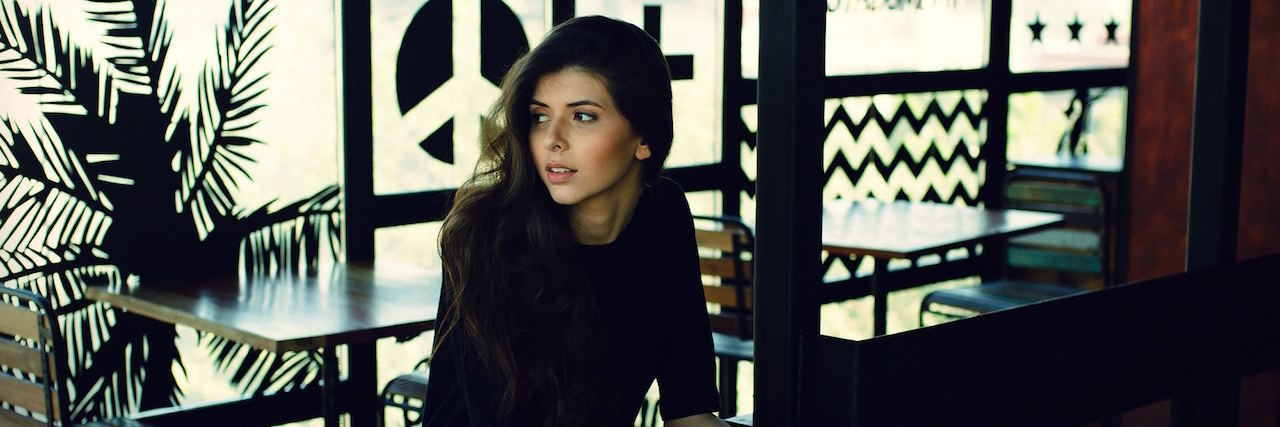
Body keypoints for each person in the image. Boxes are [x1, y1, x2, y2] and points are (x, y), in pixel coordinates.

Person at [422, 15, 730, 427]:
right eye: (539, 116)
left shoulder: (663, 213)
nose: (553, 139)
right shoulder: (488, 235)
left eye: (582, 116)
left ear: (645, 138)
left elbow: (689, 410)